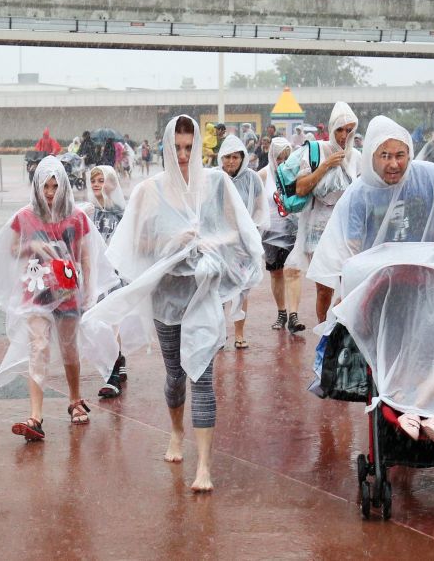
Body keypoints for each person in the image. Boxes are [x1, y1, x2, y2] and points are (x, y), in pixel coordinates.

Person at [82, 115, 263, 492]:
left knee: (202, 376)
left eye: (189, 148)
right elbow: (136, 244)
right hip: (167, 296)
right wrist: (172, 241)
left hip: (203, 293)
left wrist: (212, 239)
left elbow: (237, 232)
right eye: (176, 148)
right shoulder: (150, 190)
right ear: (165, 147)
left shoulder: (215, 184)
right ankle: (176, 433)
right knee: (176, 376)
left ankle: (205, 468)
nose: (183, 156)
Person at [0, 156, 117, 441]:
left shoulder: (76, 217)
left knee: (70, 348)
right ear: (36, 186)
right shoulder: (25, 217)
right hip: (36, 292)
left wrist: (89, 293)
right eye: (45, 186)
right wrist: (31, 244)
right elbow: (10, 250)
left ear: (63, 187)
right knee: (39, 346)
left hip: (69, 292)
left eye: (54, 186)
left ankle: (74, 399)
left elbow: (87, 256)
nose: (49, 193)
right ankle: (35, 416)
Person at [306, 115, 434, 294]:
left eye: (400, 155)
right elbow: (348, 253)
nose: (394, 164)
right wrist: (350, 298)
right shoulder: (358, 195)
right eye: (385, 156)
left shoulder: (430, 178)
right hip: (376, 287)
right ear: (371, 157)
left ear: (409, 154)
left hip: (425, 284)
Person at [287, 102, 360, 323]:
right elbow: (301, 188)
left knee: (349, 285)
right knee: (325, 290)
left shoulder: (357, 157)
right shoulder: (316, 151)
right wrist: (326, 165)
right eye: (339, 130)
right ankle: (324, 333)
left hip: (347, 229)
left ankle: (341, 330)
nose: (344, 136)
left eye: (349, 130)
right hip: (319, 228)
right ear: (331, 129)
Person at [79, 165, 132, 398]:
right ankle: (117, 358)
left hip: (115, 275)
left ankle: (112, 373)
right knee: (95, 320)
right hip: (94, 275)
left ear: (112, 182)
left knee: (112, 320)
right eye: (94, 180)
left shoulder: (121, 211)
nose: (97, 184)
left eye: (102, 180)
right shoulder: (87, 211)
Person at [218, 135, 269, 350]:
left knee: (242, 289)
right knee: (218, 290)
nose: (231, 161)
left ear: (243, 157)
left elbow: (259, 206)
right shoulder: (215, 178)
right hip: (220, 243)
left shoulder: (253, 179)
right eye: (227, 157)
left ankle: (239, 333)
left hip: (244, 244)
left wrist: (252, 230)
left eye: (235, 157)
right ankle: (220, 335)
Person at [258, 137, 306, 334]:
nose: (283, 161)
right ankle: (282, 312)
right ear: (272, 156)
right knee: (276, 273)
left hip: (293, 230)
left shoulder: (296, 174)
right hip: (271, 232)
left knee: (293, 271)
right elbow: (255, 203)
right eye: (279, 157)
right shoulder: (262, 175)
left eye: (287, 157)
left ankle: (294, 316)